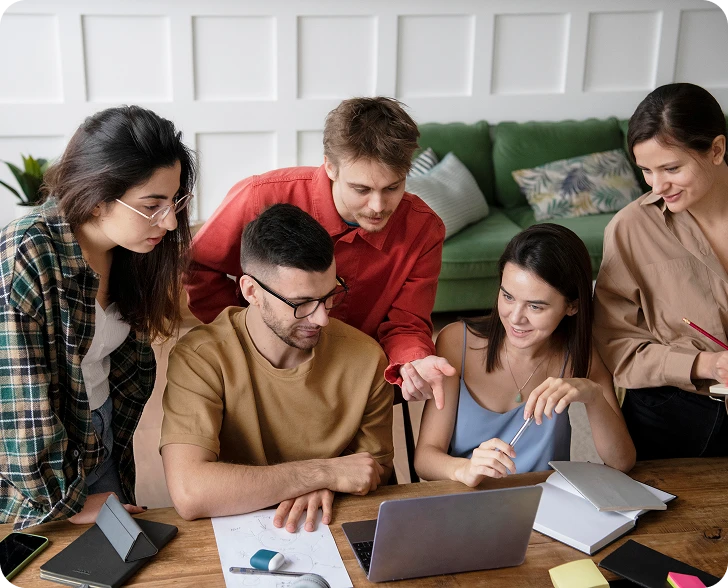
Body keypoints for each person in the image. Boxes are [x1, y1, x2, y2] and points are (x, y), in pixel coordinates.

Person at [184, 97, 454, 407]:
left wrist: (413, 361)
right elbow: (197, 267)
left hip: (353, 376)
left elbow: (406, 324)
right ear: (330, 167)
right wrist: (245, 334)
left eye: (393, 187)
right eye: (362, 189)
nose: (378, 206)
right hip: (261, 365)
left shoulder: (424, 229)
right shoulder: (260, 196)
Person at [0, 106, 196, 529]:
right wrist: (67, 503)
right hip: (38, 466)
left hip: (105, 430)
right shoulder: (27, 252)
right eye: (153, 205)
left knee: (129, 550)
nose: (170, 221)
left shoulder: (131, 250)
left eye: (175, 201)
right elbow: (17, 402)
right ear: (97, 197)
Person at [161, 204, 394, 533]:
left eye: (329, 295)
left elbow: (373, 470)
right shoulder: (200, 357)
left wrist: (328, 484)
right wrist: (320, 474)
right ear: (251, 291)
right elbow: (190, 492)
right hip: (235, 533)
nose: (322, 318)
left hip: (329, 521)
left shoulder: (367, 359)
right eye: (301, 304)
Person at [414, 224, 635, 485]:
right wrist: (464, 469)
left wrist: (594, 397)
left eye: (535, 306)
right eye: (508, 296)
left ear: (572, 306)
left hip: (545, 502)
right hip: (468, 499)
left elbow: (621, 462)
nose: (515, 317)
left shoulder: (580, 356)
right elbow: (425, 459)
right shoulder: (456, 342)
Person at [593, 83, 728, 459]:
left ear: (716, 150)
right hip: (674, 412)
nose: (657, 185)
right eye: (646, 171)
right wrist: (707, 364)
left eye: (671, 168)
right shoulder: (630, 229)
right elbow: (616, 346)